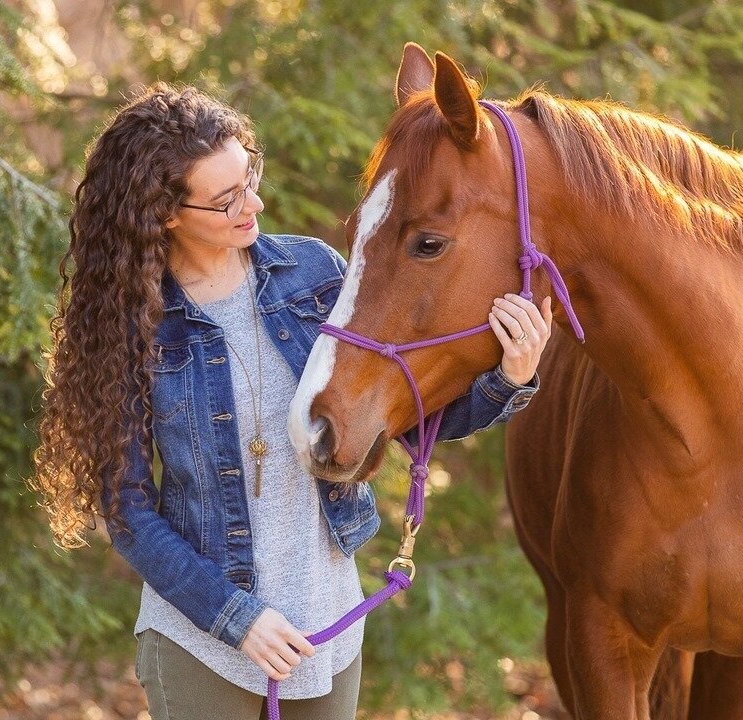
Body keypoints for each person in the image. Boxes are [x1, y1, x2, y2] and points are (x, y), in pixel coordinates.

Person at [31, 83, 553, 720]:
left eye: (249, 175)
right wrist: (237, 620)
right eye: (226, 200)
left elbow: (410, 423)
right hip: (204, 646)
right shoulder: (135, 328)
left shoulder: (314, 277)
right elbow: (127, 509)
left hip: (327, 635)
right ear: (165, 213)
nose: (254, 203)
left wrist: (511, 377)